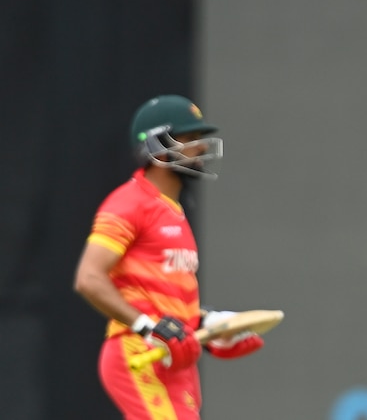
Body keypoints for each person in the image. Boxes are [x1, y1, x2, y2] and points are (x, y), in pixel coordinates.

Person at [74, 94, 265, 419]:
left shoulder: (171, 211)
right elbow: (89, 278)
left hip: (176, 357)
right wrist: (148, 327)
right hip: (141, 352)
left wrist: (209, 323)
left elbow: (166, 299)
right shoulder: (130, 202)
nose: (201, 148)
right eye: (189, 138)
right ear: (157, 144)